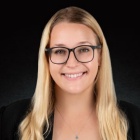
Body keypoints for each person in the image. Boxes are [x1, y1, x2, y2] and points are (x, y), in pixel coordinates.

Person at [0, 6, 140, 140]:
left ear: (100, 56)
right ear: (47, 58)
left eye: (84, 49)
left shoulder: (135, 122)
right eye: (60, 51)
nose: (72, 63)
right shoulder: (10, 120)